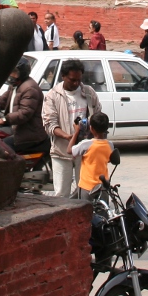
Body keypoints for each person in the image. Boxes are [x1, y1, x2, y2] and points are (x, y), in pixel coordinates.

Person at [42, 58, 101, 198]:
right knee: (61, 194)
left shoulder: (88, 92)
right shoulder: (53, 96)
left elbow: (98, 114)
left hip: (85, 152)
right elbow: (50, 125)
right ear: (63, 76)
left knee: (86, 192)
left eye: (79, 80)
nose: (76, 83)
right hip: (61, 152)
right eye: (72, 80)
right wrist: (68, 136)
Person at [0, 58, 48, 155]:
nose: (11, 75)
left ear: (22, 73)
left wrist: (3, 120)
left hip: (30, 132)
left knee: (3, 147)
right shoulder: (15, 85)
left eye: (14, 72)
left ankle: (12, 169)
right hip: (17, 128)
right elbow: (1, 101)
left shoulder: (30, 88)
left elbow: (24, 113)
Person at [72, 112, 120, 199]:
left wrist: (76, 132)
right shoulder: (110, 145)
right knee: (103, 211)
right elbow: (109, 159)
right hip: (103, 187)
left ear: (91, 128)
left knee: (86, 211)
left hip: (87, 187)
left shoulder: (86, 144)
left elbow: (69, 150)